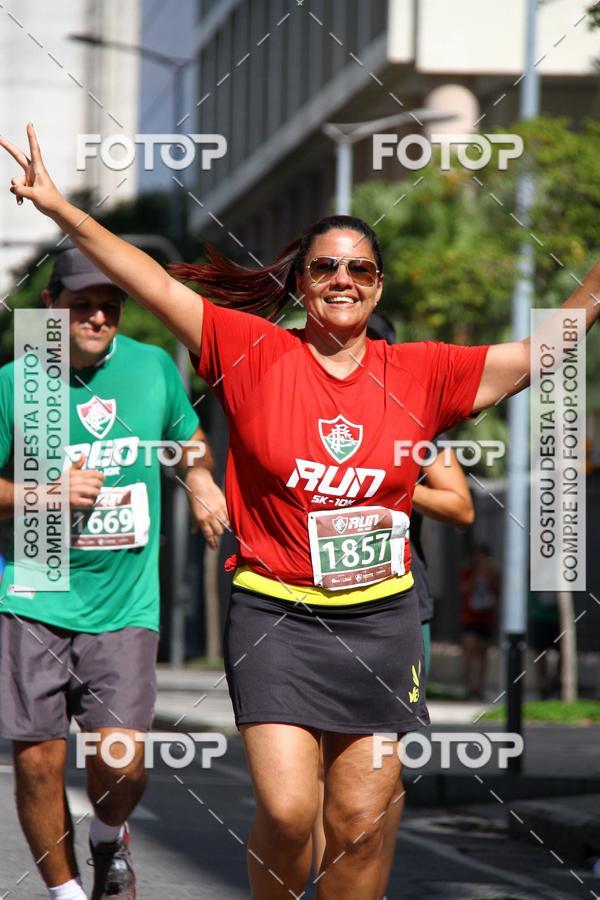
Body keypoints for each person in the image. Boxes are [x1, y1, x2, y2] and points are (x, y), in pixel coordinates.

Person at [1, 124, 598, 899]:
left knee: (358, 818)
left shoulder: (422, 373)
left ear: (378, 286)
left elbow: (541, 351)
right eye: (326, 267)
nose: (343, 278)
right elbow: (150, 280)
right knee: (287, 811)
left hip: (381, 623)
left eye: (360, 268)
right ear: (303, 283)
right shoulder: (254, 354)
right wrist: (59, 209)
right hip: (276, 617)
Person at [0, 245, 228, 900]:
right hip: (35, 590)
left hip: (125, 604)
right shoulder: (17, 382)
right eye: (81, 305)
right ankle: (67, 893)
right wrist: (43, 492)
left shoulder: (153, 367)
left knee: (121, 762)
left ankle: (108, 835)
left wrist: (202, 477)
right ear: (50, 308)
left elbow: (187, 437)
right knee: (39, 761)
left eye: (109, 305)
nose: (97, 317)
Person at [459, 544, 500, 700]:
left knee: (483, 654)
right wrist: (477, 574)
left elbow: (498, 590)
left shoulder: (493, 574)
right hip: (470, 617)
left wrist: (488, 574)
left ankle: (479, 687)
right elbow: (464, 590)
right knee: (469, 651)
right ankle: (468, 686)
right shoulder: (468, 573)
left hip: (486, 618)